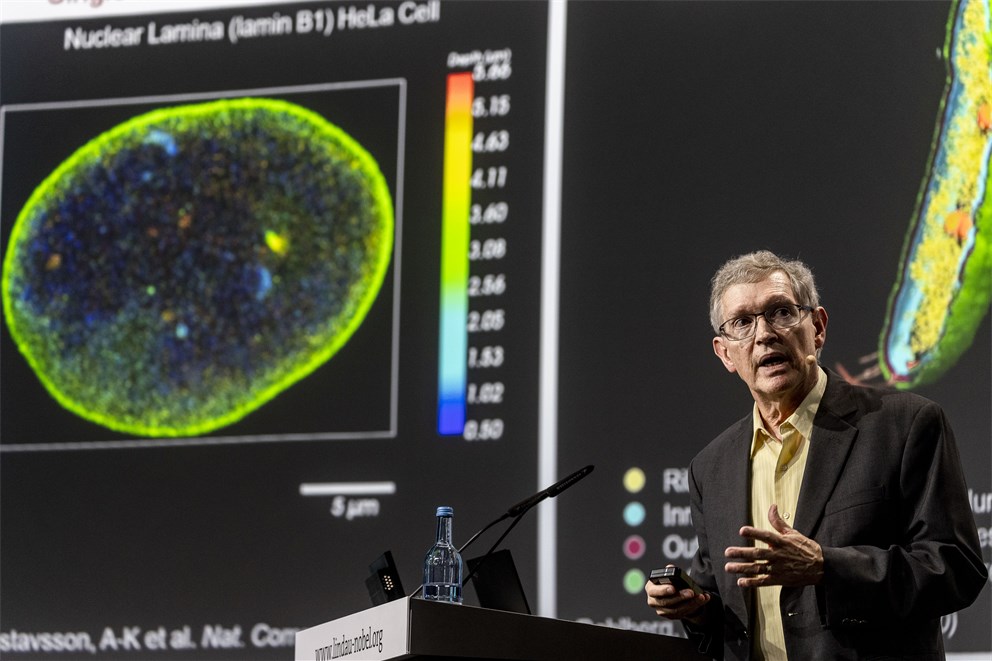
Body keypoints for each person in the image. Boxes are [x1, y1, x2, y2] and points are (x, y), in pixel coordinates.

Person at [645, 250, 987, 660]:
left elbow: (955, 568)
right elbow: (728, 609)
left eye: (781, 312)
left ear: (818, 328)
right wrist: (696, 610)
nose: (764, 334)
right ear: (724, 354)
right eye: (742, 322)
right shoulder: (710, 468)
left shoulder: (906, 425)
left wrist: (827, 567)